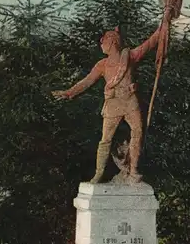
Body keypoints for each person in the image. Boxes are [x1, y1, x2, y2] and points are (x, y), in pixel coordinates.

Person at [52, 20, 165, 183]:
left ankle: (133, 170)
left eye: (103, 41)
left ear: (112, 41)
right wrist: (69, 93)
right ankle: (99, 173)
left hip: (130, 101)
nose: (101, 45)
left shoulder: (130, 56)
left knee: (138, 133)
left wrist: (164, 24)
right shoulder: (102, 65)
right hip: (113, 104)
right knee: (106, 139)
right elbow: (86, 81)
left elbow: (151, 42)